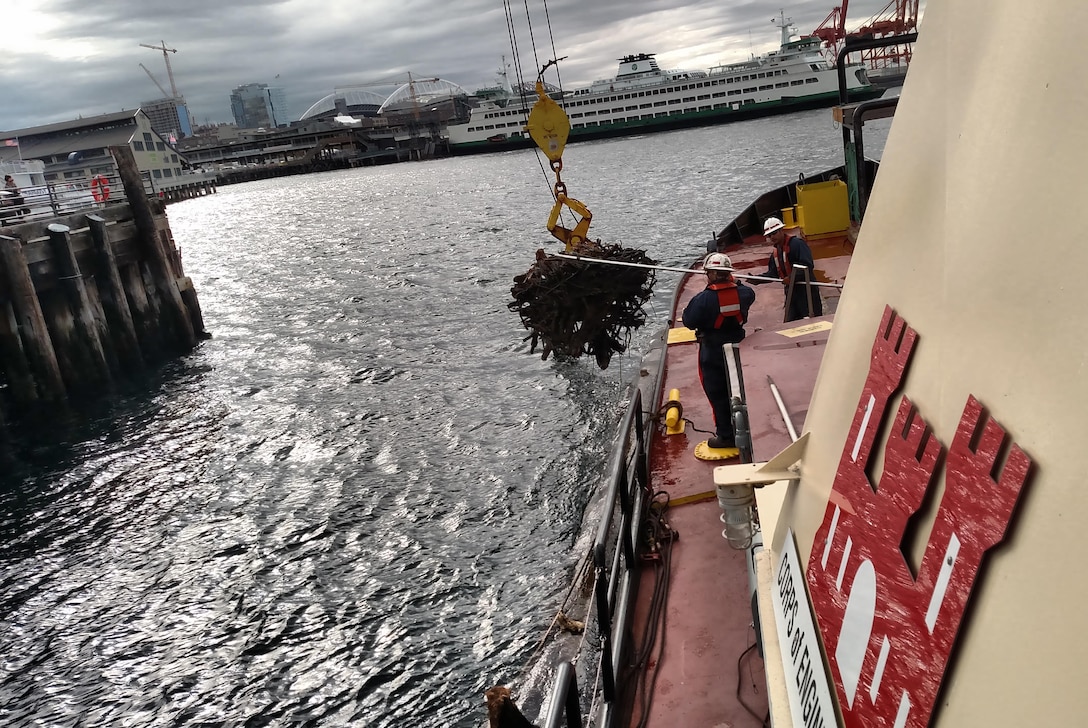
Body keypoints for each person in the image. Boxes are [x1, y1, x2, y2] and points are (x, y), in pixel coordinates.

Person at [682, 252, 755, 450]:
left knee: (717, 393)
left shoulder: (703, 300)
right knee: (738, 388)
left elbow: (688, 320)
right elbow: (749, 294)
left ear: (712, 274)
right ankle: (747, 427)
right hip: (739, 347)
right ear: (728, 273)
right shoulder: (745, 294)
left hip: (713, 351)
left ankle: (725, 435)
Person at [754, 216, 823, 321]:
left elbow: (807, 265)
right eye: (769, 235)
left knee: (812, 321)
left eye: (774, 233)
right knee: (790, 323)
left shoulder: (797, 244)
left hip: (806, 291)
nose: (772, 237)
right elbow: (773, 273)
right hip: (791, 293)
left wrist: (791, 278)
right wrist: (757, 279)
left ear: (781, 231)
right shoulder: (776, 253)